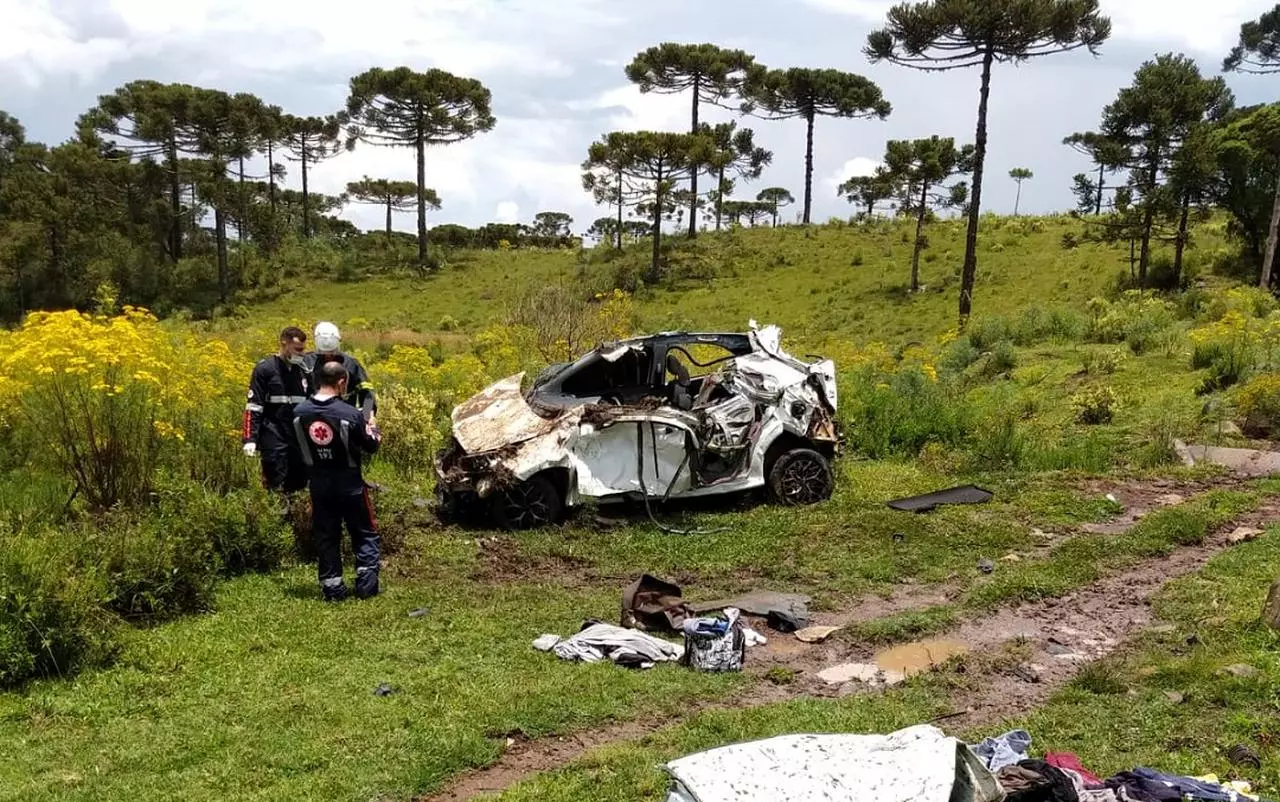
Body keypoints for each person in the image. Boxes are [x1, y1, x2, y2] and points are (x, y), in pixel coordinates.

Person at [293, 360, 383, 601]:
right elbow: (372, 445)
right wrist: (373, 427)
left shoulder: (299, 414)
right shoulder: (350, 414)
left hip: (319, 487)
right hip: (350, 486)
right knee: (364, 532)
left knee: (326, 536)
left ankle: (332, 589)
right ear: (342, 382)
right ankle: (366, 585)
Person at [243, 326, 312, 493]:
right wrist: (249, 438)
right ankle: (276, 516)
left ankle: (295, 516)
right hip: (273, 432)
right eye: (297, 349)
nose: (301, 354)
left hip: (297, 435)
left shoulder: (304, 372)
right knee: (275, 479)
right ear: (284, 343)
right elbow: (253, 407)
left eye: (303, 350)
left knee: (299, 480)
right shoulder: (265, 370)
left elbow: (312, 405)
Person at [307, 322, 377, 423]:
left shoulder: (351, 364)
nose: (328, 356)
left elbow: (367, 393)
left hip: (345, 419)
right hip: (314, 421)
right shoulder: (308, 362)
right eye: (324, 353)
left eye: (331, 352)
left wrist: (367, 418)